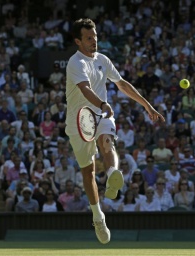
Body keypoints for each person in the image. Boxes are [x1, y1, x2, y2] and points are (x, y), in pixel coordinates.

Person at [65, 18, 165, 244]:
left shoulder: (103, 59)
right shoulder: (75, 62)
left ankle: (112, 175)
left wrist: (147, 106)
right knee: (88, 172)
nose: (94, 42)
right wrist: (101, 103)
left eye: (96, 37)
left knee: (107, 141)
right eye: (89, 38)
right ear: (78, 41)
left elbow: (122, 84)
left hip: (100, 116)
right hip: (77, 122)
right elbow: (85, 89)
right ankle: (97, 216)